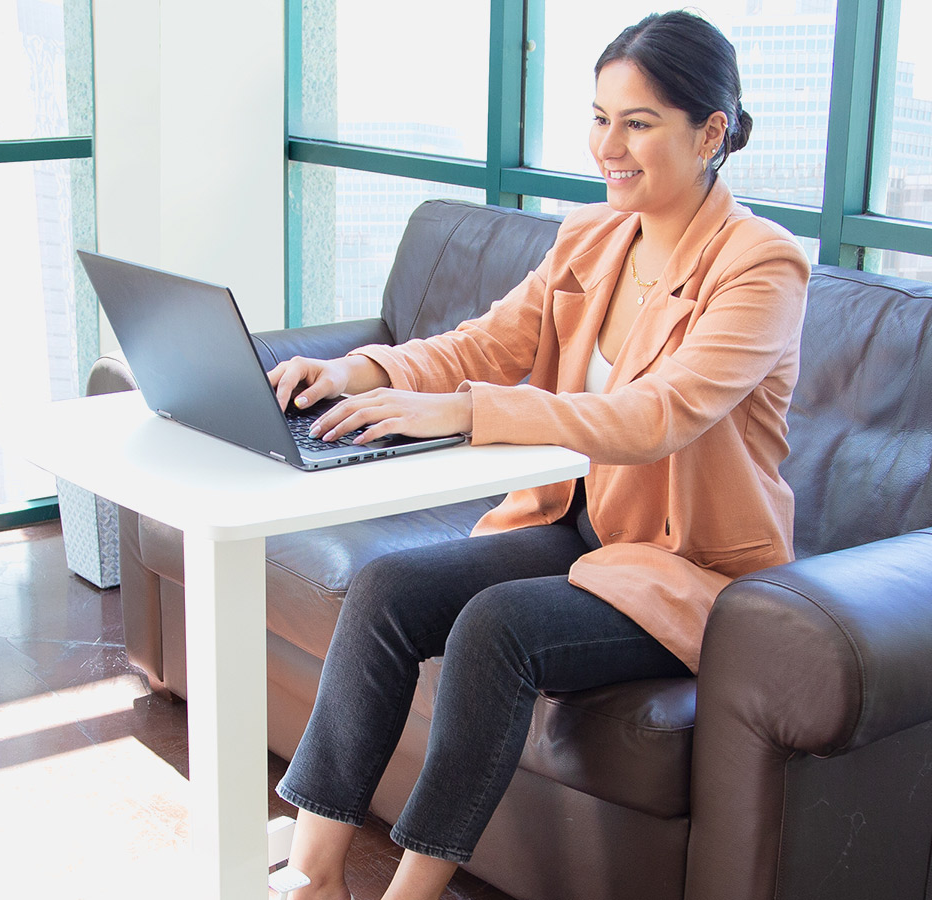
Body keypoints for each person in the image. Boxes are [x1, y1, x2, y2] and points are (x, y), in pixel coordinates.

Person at [267, 10, 810, 900]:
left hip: (684, 565)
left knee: (495, 628)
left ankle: (411, 894)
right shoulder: (592, 236)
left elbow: (658, 414)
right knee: (387, 590)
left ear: (712, 132)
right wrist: (360, 367)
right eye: (600, 117)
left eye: (639, 123)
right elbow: (482, 344)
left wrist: (466, 411)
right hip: (579, 526)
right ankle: (314, 875)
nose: (610, 146)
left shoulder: (761, 266)